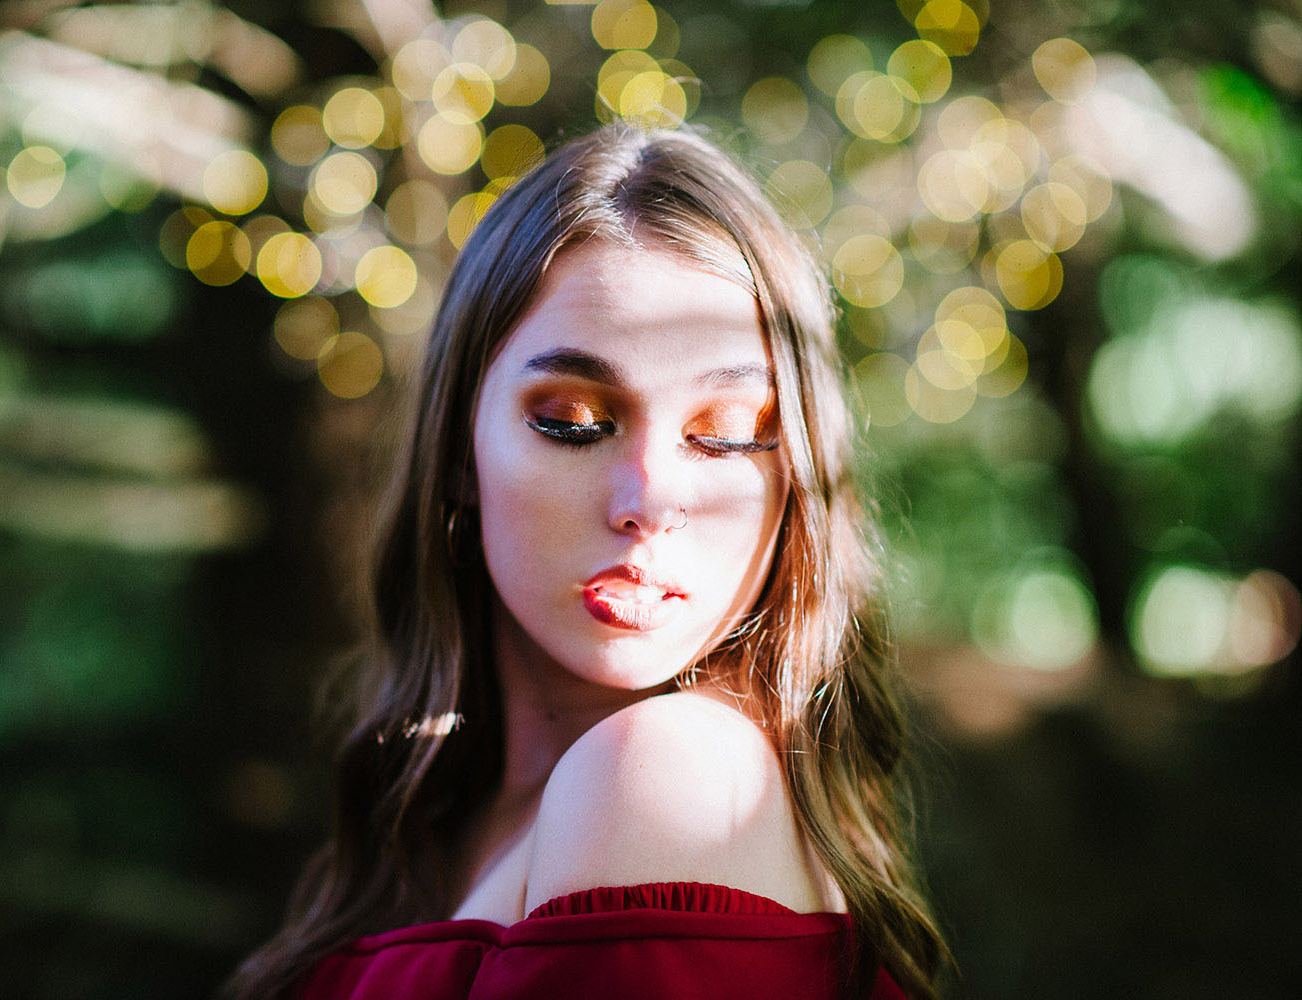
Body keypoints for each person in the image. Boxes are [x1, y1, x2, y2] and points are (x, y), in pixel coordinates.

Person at [226, 124, 950, 1000]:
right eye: (571, 421)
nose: (647, 503)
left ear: (795, 477)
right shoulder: (428, 831)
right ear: (459, 449)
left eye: (726, 437)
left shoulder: (665, 776)